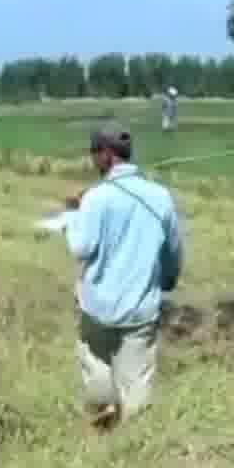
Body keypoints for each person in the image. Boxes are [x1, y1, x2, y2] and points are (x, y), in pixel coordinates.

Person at [62, 123, 186, 432]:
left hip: (98, 307)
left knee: (96, 366)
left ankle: (102, 423)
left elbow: (81, 247)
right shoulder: (161, 196)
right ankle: (134, 439)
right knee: (137, 379)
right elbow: (173, 251)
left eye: (94, 153)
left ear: (106, 155)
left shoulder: (96, 198)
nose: (92, 160)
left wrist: (74, 214)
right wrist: (167, 280)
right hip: (141, 308)